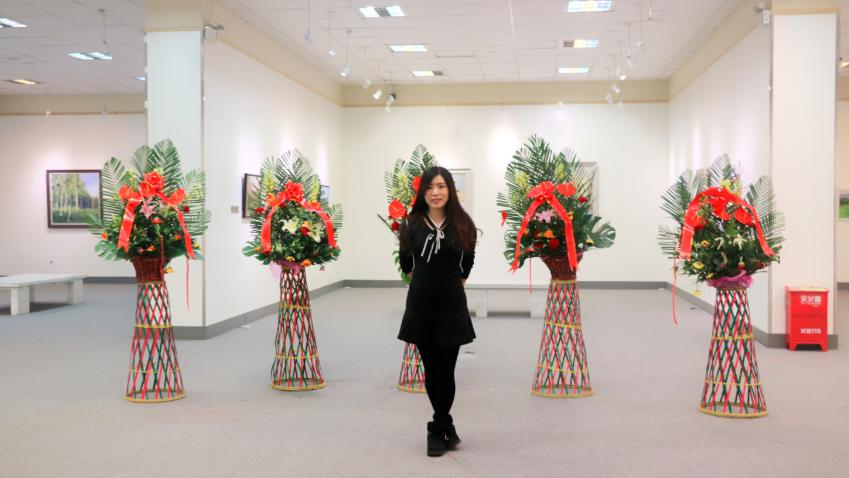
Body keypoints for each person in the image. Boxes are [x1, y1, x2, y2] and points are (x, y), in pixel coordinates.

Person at [398, 166, 477, 457]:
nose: (435, 192)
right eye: (430, 187)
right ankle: (441, 427)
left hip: (451, 306)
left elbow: (467, 264)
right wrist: (426, 283)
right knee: (432, 369)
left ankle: (439, 425)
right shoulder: (411, 224)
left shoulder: (463, 224)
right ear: (423, 192)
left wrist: (448, 285)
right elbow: (406, 264)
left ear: (450, 190)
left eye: (441, 186)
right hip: (421, 306)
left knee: (447, 368)